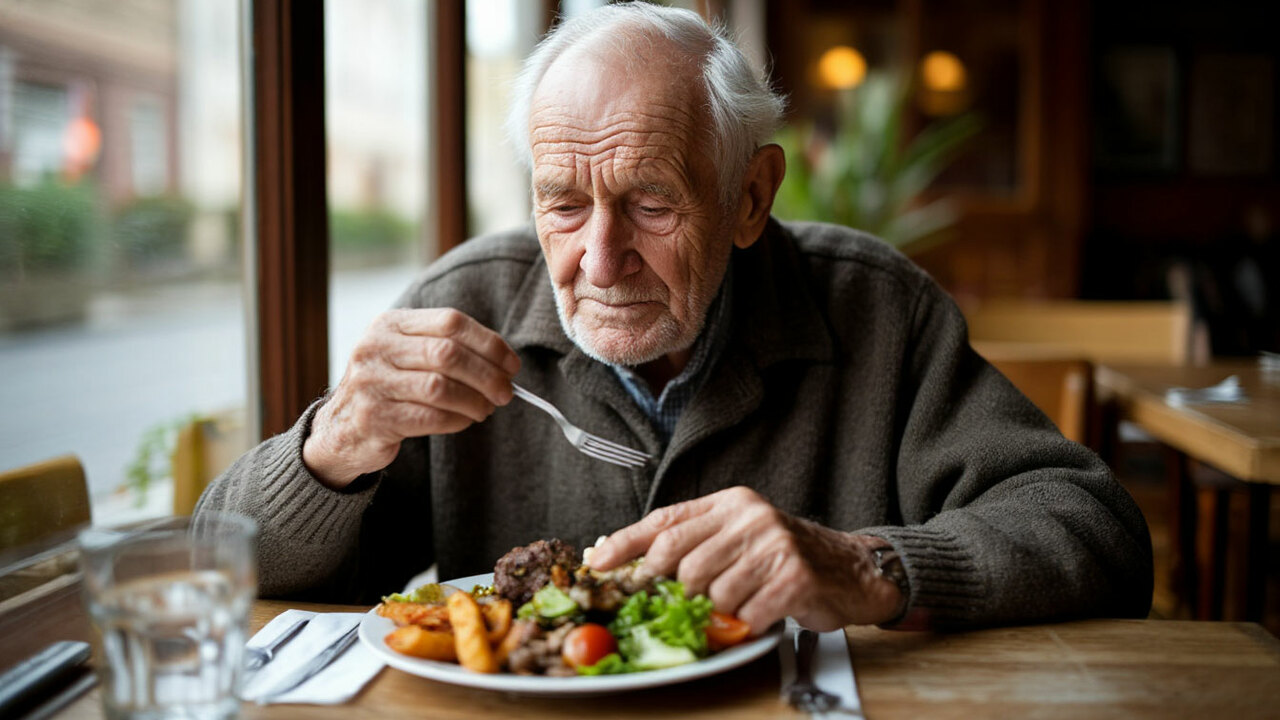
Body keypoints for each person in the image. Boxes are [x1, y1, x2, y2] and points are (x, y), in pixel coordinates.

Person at [196, 2, 1152, 633]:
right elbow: (218, 571)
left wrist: (863, 564)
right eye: (563, 203)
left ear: (749, 196)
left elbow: (1097, 533)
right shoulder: (466, 305)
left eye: (652, 205)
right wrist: (330, 448)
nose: (598, 260)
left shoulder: (873, 308)